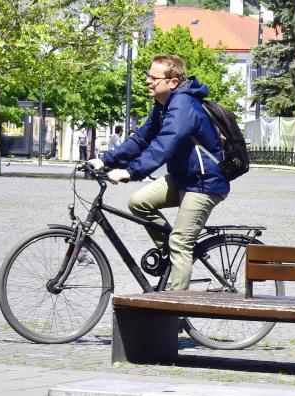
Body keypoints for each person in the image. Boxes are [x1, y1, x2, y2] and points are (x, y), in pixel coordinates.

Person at [88, 54, 229, 291]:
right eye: (148, 76)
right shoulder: (163, 105)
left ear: (173, 82)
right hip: (183, 178)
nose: (148, 81)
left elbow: (164, 145)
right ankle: (172, 258)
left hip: (205, 183)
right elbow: (142, 139)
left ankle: (175, 312)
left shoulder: (184, 106)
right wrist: (106, 160)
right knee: (138, 202)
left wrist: (129, 172)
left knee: (180, 242)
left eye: (154, 78)